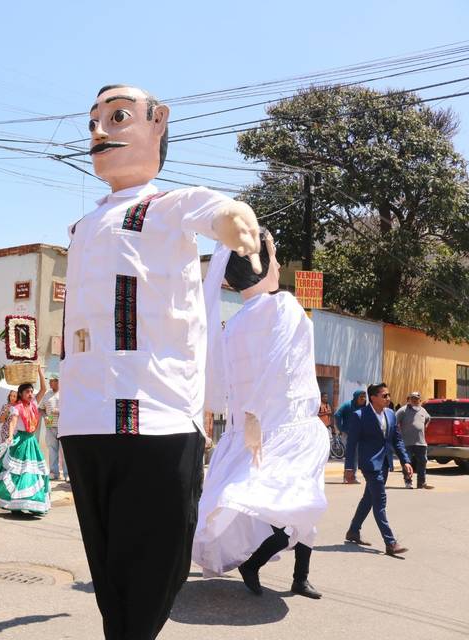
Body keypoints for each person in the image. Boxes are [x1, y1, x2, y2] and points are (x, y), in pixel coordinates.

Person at [58, 84, 261, 640]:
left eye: (118, 116)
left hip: (155, 419)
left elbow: (216, 207)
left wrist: (234, 218)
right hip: (82, 419)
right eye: (94, 121)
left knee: (152, 566)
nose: (101, 130)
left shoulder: (167, 205)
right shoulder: (81, 228)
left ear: (158, 123)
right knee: (108, 568)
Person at [194, 231, 330, 600]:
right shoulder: (283, 305)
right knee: (299, 504)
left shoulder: (234, 323)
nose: (281, 264)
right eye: (275, 255)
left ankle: (297, 574)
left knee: (295, 502)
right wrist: (252, 415)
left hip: (258, 427)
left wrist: (245, 420)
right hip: (285, 426)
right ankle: (264, 565)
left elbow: (224, 383)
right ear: (260, 264)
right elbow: (275, 363)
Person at [344, 383, 413, 556]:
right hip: (369, 464)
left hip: (384, 463)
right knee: (380, 501)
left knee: (369, 499)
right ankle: (390, 543)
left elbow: (397, 440)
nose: (388, 398)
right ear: (373, 397)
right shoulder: (359, 415)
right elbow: (351, 444)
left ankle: (353, 531)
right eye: (384, 395)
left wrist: (405, 461)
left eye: (388, 395)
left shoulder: (390, 414)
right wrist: (349, 468)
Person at [0, 366, 50, 515]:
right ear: (20, 394)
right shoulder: (17, 408)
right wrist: (10, 436)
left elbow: (43, 389)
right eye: (27, 392)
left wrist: (40, 372)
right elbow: (13, 422)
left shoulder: (34, 403)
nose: (30, 394)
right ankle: (16, 503)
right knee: (19, 472)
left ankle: (34, 502)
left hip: (31, 441)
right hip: (21, 441)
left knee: (35, 471)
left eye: (31, 391)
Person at [396, 392, 433, 490]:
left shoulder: (423, 410)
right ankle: (408, 482)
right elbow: (394, 421)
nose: (414, 400)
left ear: (420, 400)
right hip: (407, 442)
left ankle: (421, 483)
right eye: (412, 398)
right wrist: (398, 431)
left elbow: (428, 418)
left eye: (416, 399)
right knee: (407, 463)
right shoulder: (403, 410)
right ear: (409, 399)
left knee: (422, 462)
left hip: (421, 442)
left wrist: (424, 426)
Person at [41, 375, 66, 482]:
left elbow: (71, 407)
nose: (50, 383)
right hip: (50, 426)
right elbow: (40, 408)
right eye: (49, 381)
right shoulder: (47, 394)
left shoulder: (65, 393)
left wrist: (60, 410)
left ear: (58, 381)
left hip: (63, 426)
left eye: (52, 381)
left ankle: (67, 474)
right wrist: (45, 416)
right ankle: (54, 473)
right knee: (52, 450)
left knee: (64, 451)